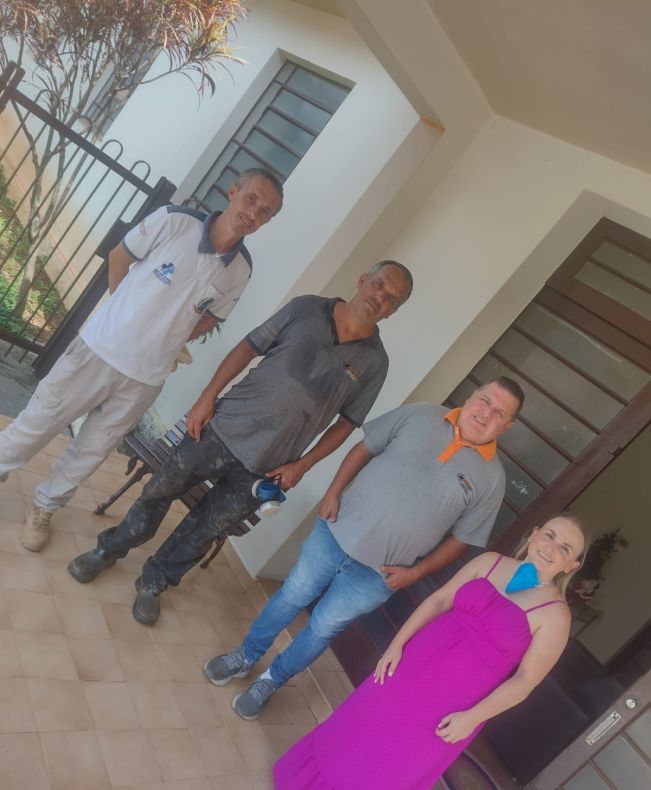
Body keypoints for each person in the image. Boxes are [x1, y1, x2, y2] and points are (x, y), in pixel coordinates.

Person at [69, 260, 414, 625]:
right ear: (363, 279)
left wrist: (302, 465)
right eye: (379, 284)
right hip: (220, 429)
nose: (380, 298)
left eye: (392, 299)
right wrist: (207, 397)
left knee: (207, 528)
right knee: (159, 491)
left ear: (393, 312)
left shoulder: (375, 363)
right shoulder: (306, 309)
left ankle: (155, 580)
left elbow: (346, 424)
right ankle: (110, 549)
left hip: (268, 466)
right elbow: (249, 348)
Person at [272, 513, 589, 790]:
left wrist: (473, 717)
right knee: (355, 731)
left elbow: (525, 681)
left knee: (389, 768)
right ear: (534, 534)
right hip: (412, 666)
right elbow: (439, 601)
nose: (551, 548)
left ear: (571, 565)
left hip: (453, 706)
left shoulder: (555, 616)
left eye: (565, 548)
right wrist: (397, 644)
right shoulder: (489, 562)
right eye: (550, 535)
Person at [205, 378, 524, 721]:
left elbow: (462, 539)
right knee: (291, 595)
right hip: (335, 530)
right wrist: (332, 493)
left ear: (507, 426)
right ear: (472, 396)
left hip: (379, 574)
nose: (486, 413)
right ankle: (246, 655)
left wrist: (416, 573)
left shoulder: (492, 480)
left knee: (323, 627)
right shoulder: (421, 414)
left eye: (499, 412)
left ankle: (272, 679)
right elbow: (365, 448)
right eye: (484, 400)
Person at [0, 167, 283, 552]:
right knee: (39, 421)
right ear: (233, 191)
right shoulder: (174, 221)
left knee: (93, 449)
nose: (254, 213)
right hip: (98, 351)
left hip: (146, 378)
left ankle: (45, 506)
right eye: (251, 199)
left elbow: (211, 318)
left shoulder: (240, 269)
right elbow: (119, 257)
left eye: (266, 211)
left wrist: (169, 339)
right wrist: (125, 315)